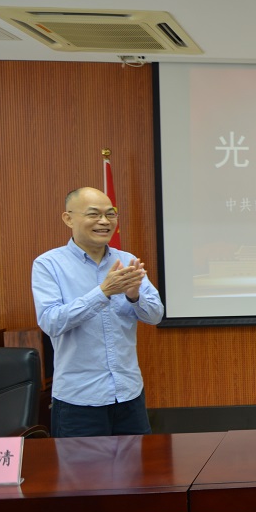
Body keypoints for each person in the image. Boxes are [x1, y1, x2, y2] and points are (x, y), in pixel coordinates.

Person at [32, 187, 164, 437]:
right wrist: (103, 293)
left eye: (110, 214)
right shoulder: (49, 264)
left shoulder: (127, 260)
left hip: (128, 395)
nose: (104, 221)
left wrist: (134, 296)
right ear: (68, 218)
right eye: (94, 214)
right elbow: (51, 322)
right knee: (81, 465)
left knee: (138, 464)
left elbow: (155, 315)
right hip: (78, 401)